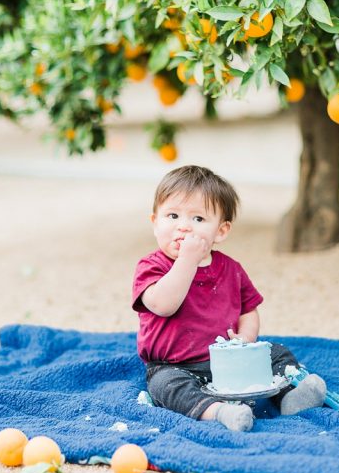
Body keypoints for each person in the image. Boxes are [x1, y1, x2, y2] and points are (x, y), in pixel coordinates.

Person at [132, 165, 327, 432]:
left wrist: (246, 339)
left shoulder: (231, 268)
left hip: (230, 361)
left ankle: (289, 398)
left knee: (276, 353)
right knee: (164, 386)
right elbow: (164, 305)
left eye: (198, 219)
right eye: (173, 216)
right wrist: (188, 260)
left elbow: (249, 310)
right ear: (155, 222)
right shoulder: (152, 266)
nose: (183, 227)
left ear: (221, 231)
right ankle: (219, 412)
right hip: (175, 365)